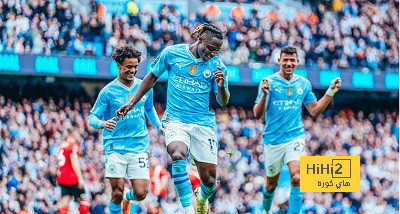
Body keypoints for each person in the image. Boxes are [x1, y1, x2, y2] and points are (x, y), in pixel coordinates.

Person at [115, 23, 230, 214]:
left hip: (202, 124)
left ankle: (201, 198)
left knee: (210, 182)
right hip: (175, 119)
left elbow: (223, 100)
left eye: (217, 50)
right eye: (210, 48)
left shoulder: (218, 66)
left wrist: (221, 87)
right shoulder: (172, 53)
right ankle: (188, 209)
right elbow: (151, 77)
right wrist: (132, 103)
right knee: (177, 153)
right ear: (200, 39)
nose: (213, 53)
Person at [253, 46, 341, 214]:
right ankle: (265, 210)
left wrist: (331, 91)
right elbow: (257, 114)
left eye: (292, 60)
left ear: (297, 62)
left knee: (297, 177)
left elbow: (314, 110)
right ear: (279, 61)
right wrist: (264, 95)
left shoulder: (303, 83)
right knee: (271, 185)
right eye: (285, 60)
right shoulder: (268, 82)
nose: (289, 63)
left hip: (295, 137)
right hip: (273, 140)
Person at [88, 45, 162, 214]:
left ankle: (128, 199)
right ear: (119, 66)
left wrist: (159, 126)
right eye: (129, 67)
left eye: (136, 67)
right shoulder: (108, 92)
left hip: (139, 146)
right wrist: (102, 123)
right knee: (116, 192)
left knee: (141, 193)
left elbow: (149, 109)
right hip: (116, 147)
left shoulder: (144, 87)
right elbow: (92, 117)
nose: (133, 70)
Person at [57, 129, 90, 214]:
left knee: (65, 201)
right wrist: (80, 178)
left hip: (62, 177)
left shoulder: (62, 146)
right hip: (71, 178)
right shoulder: (73, 145)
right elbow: (74, 160)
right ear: (72, 135)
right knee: (84, 198)